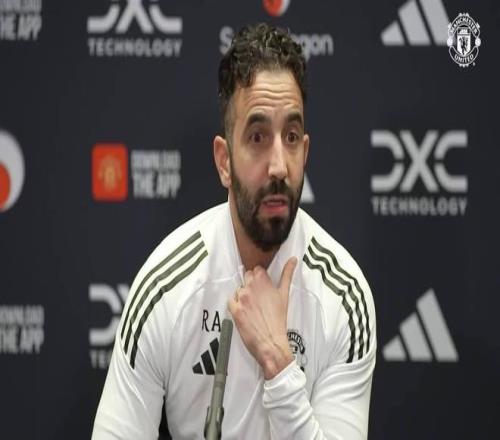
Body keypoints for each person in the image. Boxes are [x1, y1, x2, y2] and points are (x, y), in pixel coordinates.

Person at [92, 23, 376, 439]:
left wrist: (279, 363)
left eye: (291, 137)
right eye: (258, 137)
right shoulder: (165, 288)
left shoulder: (344, 297)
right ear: (224, 161)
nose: (279, 166)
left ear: (305, 152)